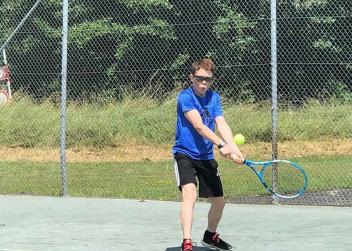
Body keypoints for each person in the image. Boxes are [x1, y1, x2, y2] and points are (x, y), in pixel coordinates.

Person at [172, 58, 244, 251]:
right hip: (185, 154)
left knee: (219, 202)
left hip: (206, 156)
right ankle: (187, 241)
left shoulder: (214, 98)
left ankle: (210, 236)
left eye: (208, 79)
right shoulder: (184, 97)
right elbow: (199, 126)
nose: (204, 83)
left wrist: (235, 150)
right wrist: (221, 144)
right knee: (190, 194)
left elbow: (221, 123)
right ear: (192, 77)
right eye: (200, 78)